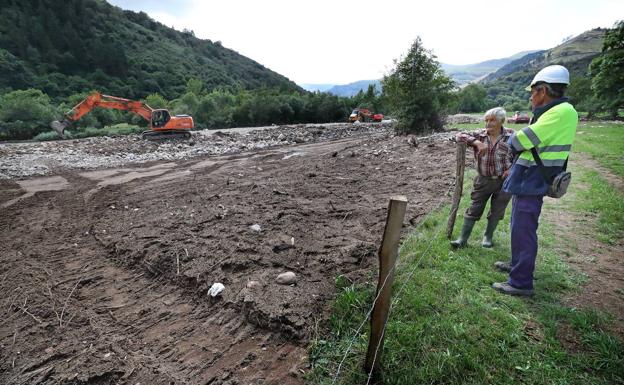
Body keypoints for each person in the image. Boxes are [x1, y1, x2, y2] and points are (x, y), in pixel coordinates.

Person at [492, 65, 578, 296]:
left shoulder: (560, 112)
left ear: (542, 90)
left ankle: (520, 282)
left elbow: (521, 141)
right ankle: (516, 264)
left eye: (533, 92)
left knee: (524, 230)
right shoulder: (556, 111)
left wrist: (513, 138)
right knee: (518, 226)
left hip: (533, 178)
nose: (531, 96)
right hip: (530, 177)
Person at [451, 107, 514, 249]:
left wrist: (512, 168)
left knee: (497, 210)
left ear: (502, 121)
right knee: (474, 207)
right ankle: (462, 239)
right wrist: (476, 142)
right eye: (486, 120)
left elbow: (522, 153)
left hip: (504, 181)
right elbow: (458, 135)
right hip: (483, 180)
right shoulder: (479, 135)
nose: (488, 123)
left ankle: (488, 237)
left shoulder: (512, 135)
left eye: (492, 120)